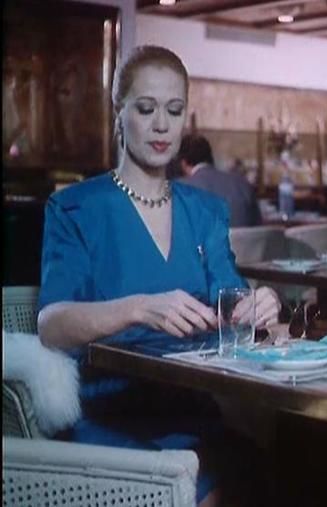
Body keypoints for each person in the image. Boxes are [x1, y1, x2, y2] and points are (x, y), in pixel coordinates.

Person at [37, 45, 281, 507]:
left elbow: (231, 303)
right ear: (119, 111)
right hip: (110, 416)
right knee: (215, 492)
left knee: (293, 469)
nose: (162, 125)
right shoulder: (76, 208)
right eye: (146, 109)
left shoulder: (206, 211)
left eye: (174, 110)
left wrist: (256, 306)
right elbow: (51, 325)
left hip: (194, 413)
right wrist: (138, 308)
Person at [178, 134, 262, 227]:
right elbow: (258, 227)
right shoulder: (241, 184)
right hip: (242, 236)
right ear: (210, 158)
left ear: (183, 163)